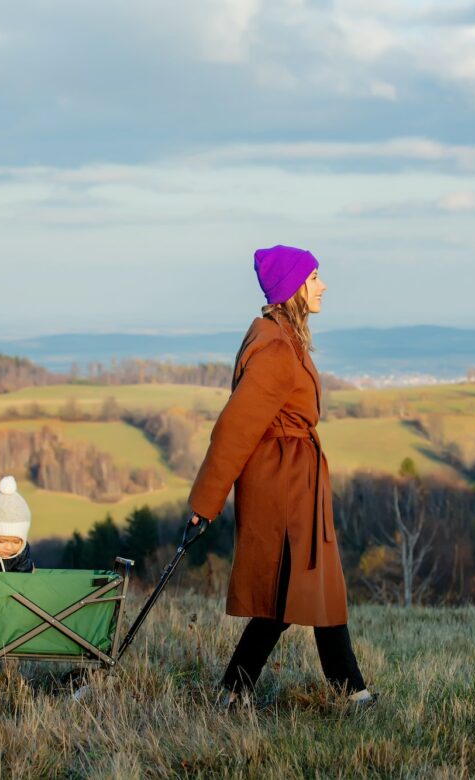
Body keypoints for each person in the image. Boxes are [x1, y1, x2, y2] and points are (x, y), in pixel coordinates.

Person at [188, 244, 374, 708]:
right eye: (314, 278)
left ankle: (247, 690)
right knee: (295, 588)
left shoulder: (284, 337)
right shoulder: (274, 346)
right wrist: (204, 504)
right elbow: (235, 429)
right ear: (293, 288)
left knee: (307, 587)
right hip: (284, 486)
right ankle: (344, 691)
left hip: (297, 482)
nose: (323, 285)